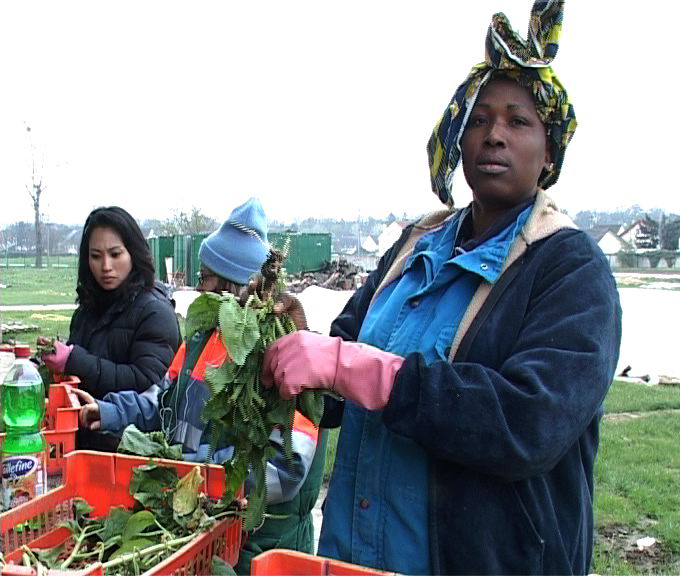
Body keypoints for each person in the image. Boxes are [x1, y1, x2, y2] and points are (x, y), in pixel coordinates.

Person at [261, 2, 622, 574]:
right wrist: (300, 350)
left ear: (549, 150)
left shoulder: (571, 270)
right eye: (478, 120)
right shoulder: (416, 244)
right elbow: (344, 364)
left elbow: (527, 425)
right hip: (355, 555)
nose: (493, 136)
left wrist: (361, 370)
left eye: (517, 122)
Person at [75, 198, 326, 575]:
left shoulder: (284, 354)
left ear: (236, 285)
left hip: (260, 546)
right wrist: (110, 412)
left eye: (206, 276)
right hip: (205, 530)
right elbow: (164, 402)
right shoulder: (200, 340)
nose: (198, 285)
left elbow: (282, 470)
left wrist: (188, 470)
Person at [39, 206, 180, 450]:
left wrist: (74, 360)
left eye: (115, 254)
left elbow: (147, 381)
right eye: (96, 256)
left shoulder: (155, 312)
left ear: (133, 253)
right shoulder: (88, 308)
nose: (106, 266)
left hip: (127, 449)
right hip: (82, 442)